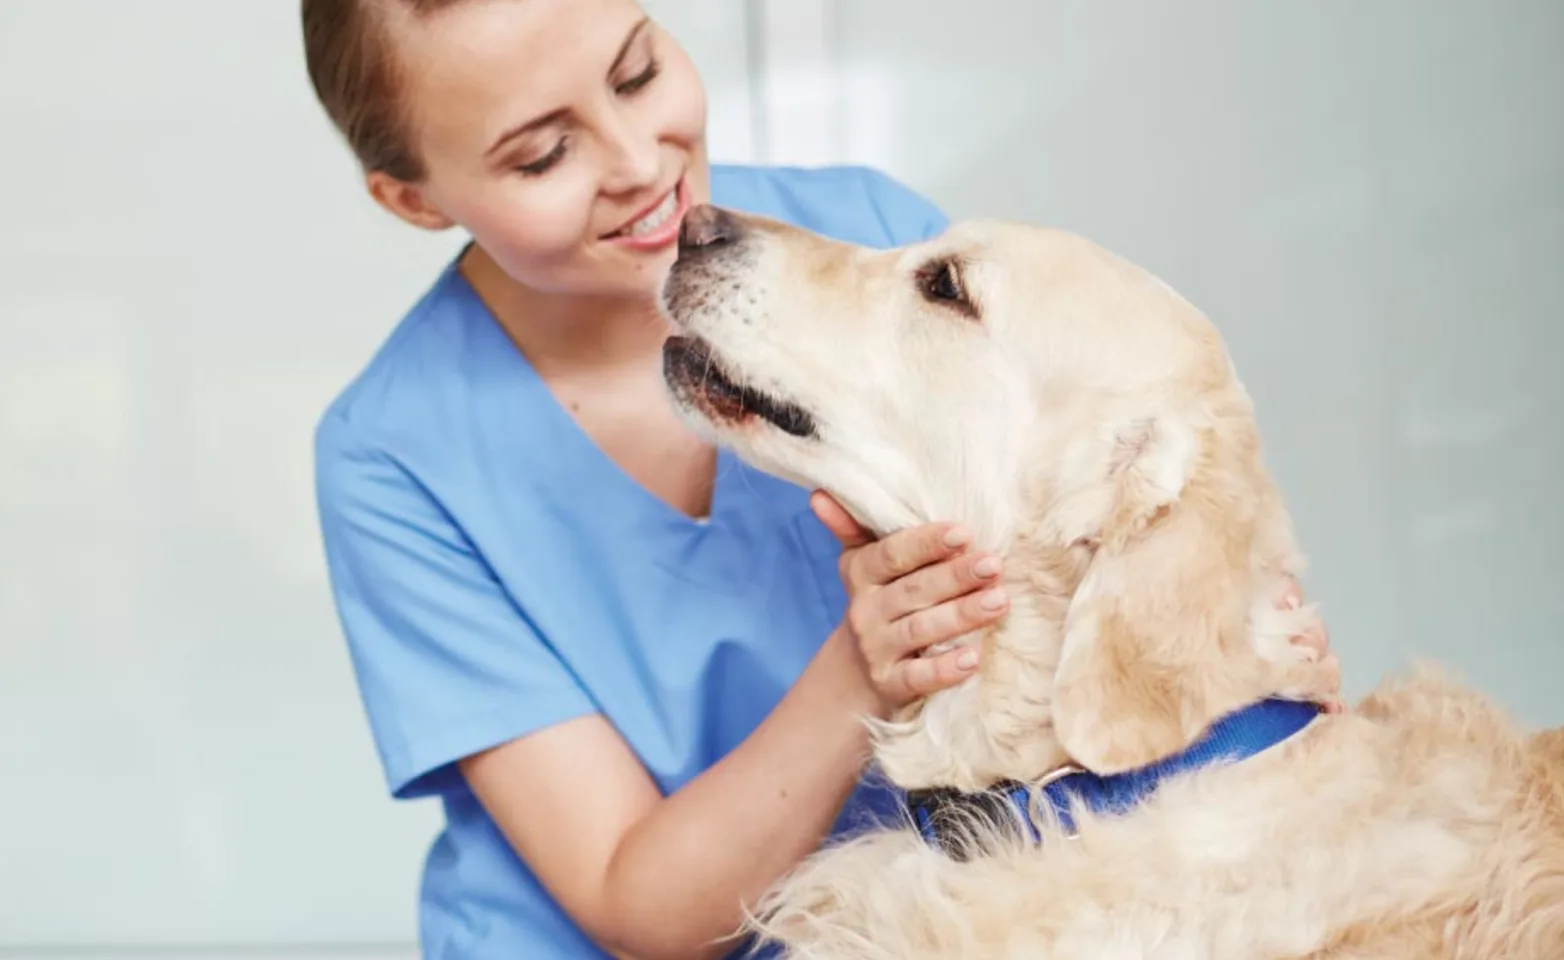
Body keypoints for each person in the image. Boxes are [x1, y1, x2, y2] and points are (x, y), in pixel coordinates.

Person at [303, 2, 1336, 958]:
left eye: (635, 72)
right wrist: (861, 667)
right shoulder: (392, 457)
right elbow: (636, 907)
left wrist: (1226, 644)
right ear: (413, 198)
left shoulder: (871, 231)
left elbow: (1070, 578)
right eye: (543, 153)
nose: (636, 161)